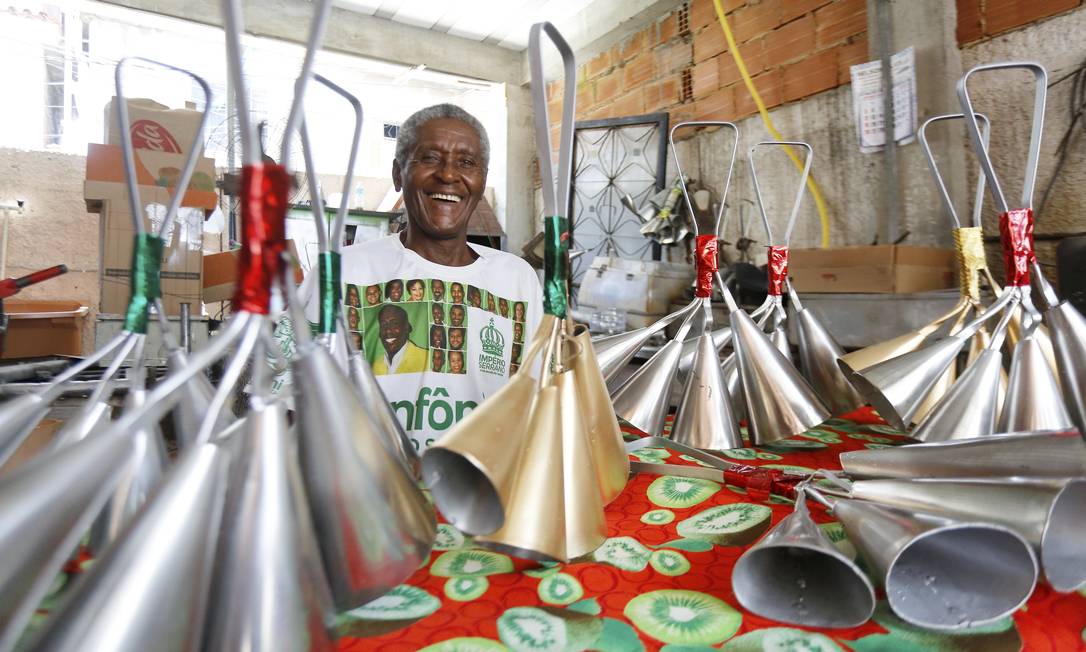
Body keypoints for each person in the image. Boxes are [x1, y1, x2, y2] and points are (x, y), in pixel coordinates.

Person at [294, 103, 542, 452]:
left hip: (483, 494)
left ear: (481, 180)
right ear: (399, 174)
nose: (448, 175)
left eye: (466, 163)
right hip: (374, 495)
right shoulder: (341, 272)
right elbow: (289, 400)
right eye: (430, 158)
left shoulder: (517, 279)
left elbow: (537, 401)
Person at [372, 304, 427, 375]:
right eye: (384, 325)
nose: (388, 330)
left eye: (394, 323)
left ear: (406, 328)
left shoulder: (427, 359)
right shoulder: (374, 367)